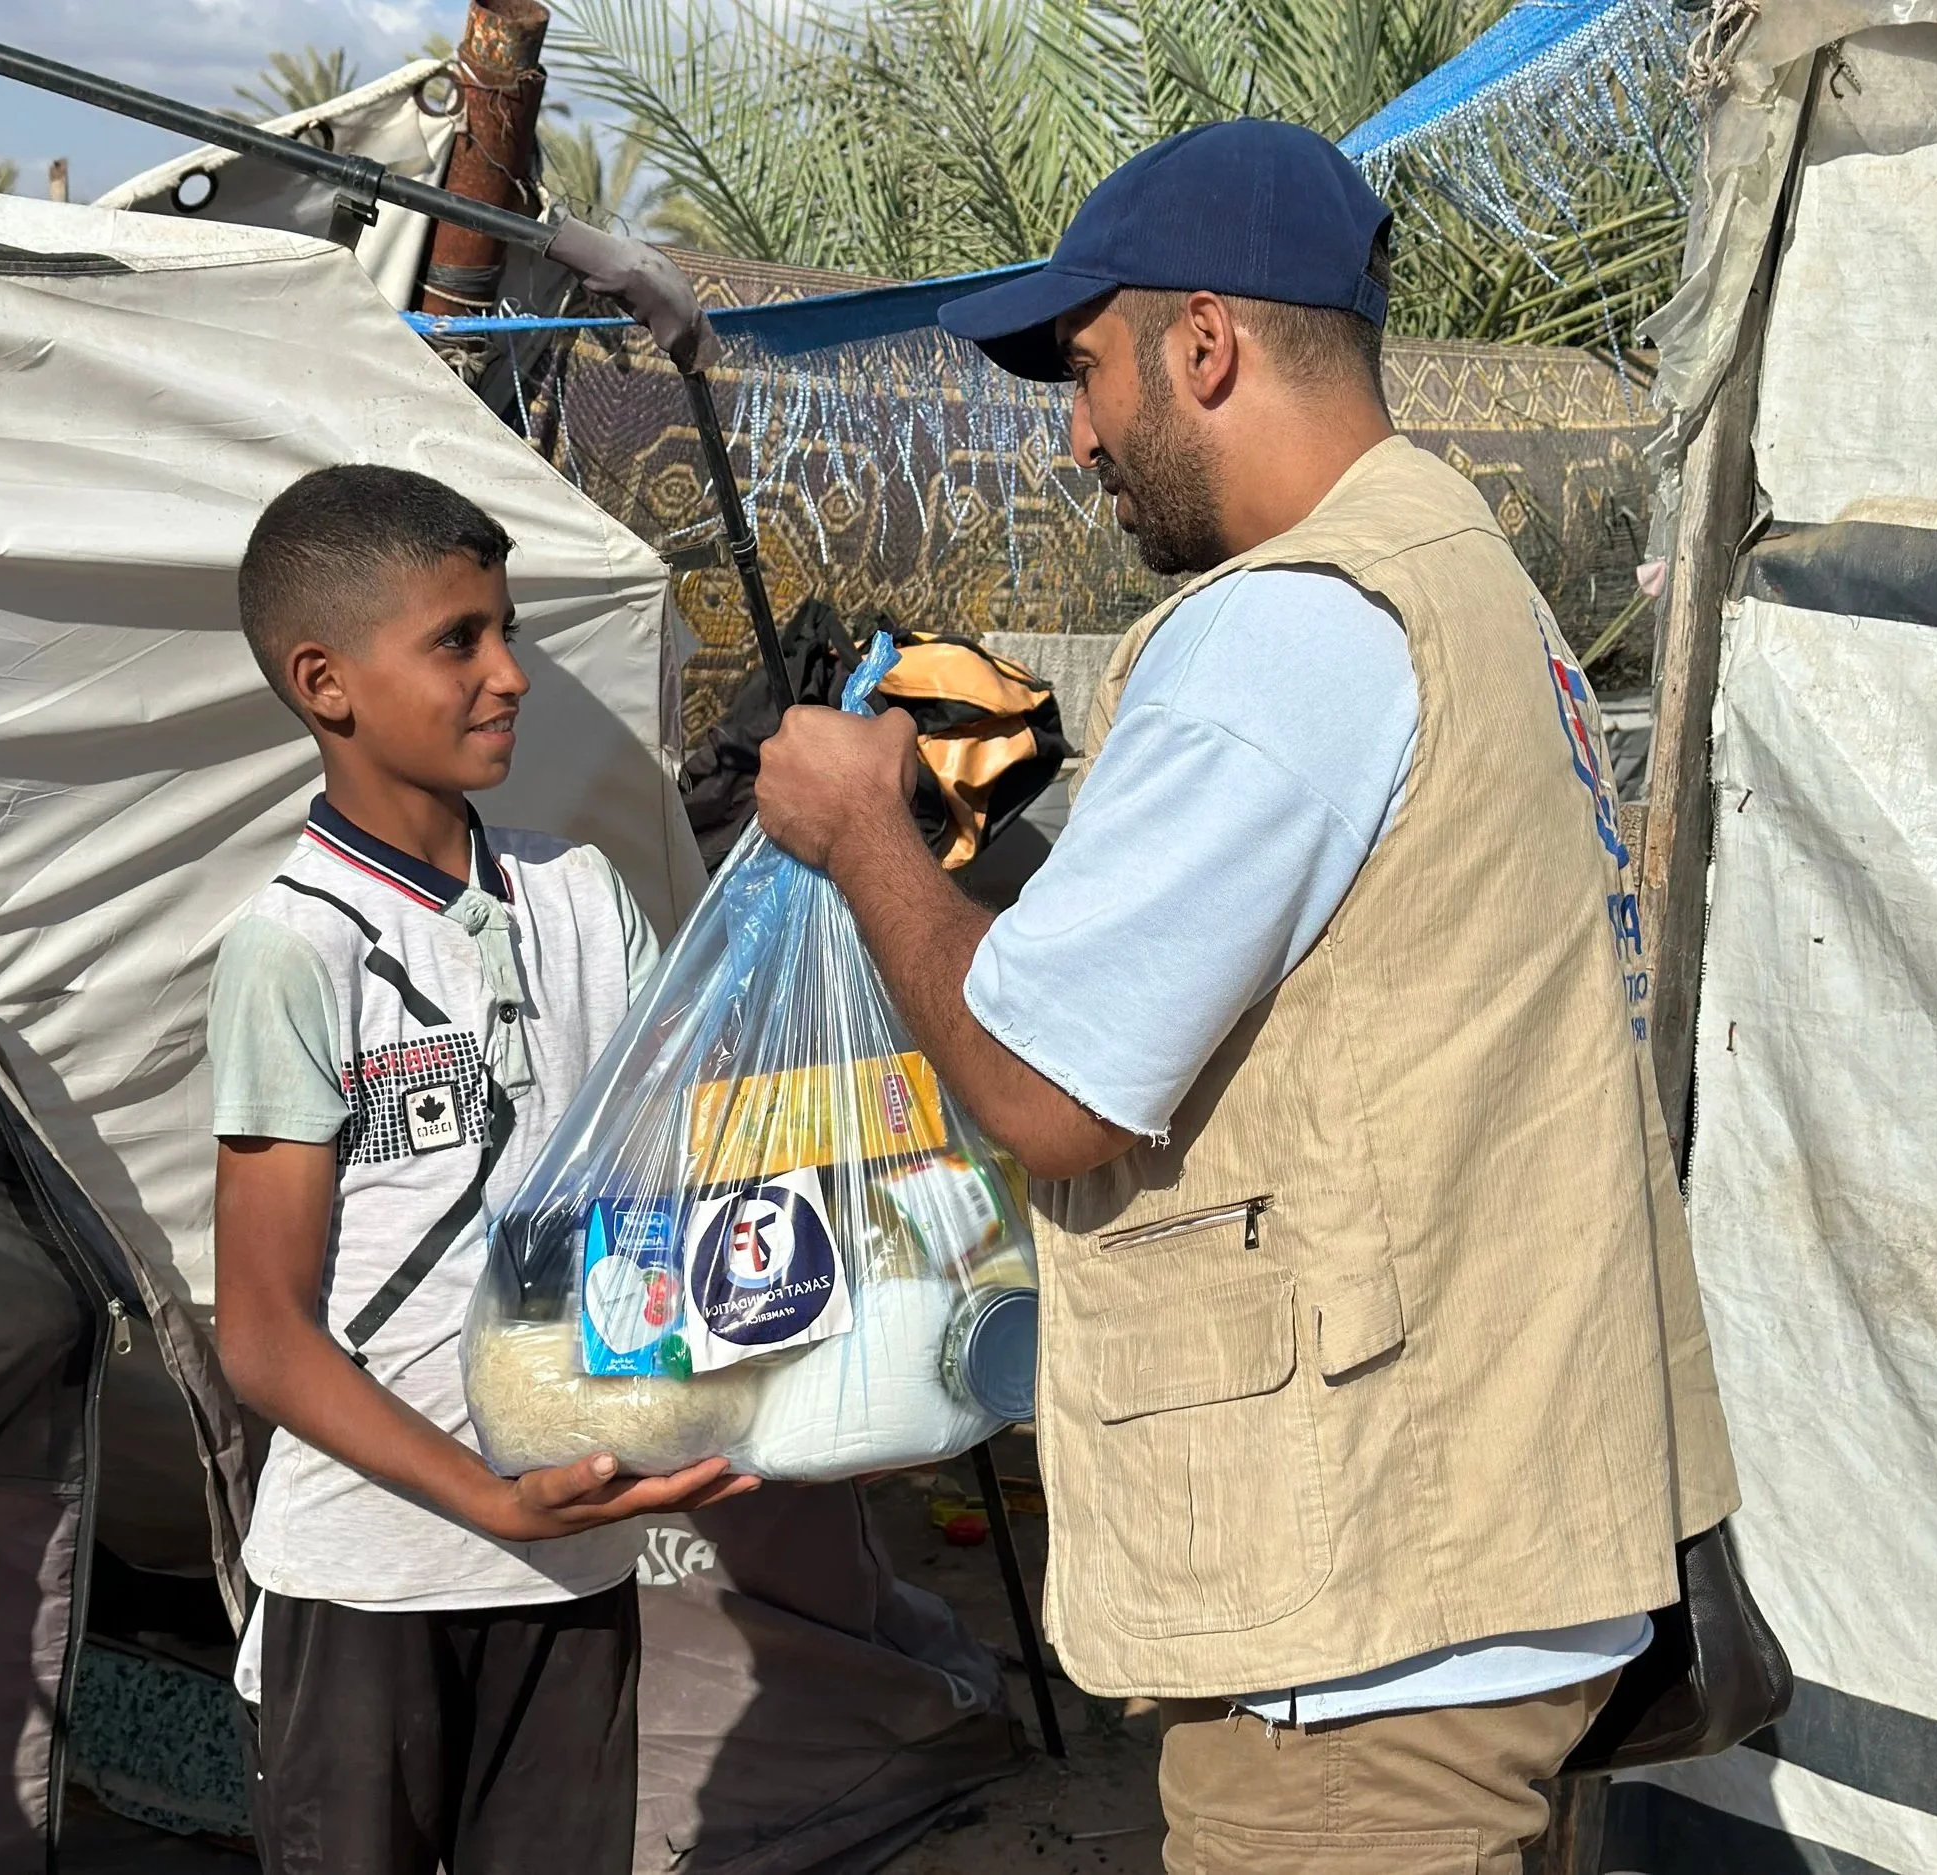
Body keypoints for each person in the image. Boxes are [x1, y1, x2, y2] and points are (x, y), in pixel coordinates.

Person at [754, 120, 1738, 1872]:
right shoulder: (1464, 578)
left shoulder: (1284, 630)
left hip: (1364, 1645)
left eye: (1087, 369)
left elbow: (1049, 1093)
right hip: (1489, 1559)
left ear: (1204, 345)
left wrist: (862, 840)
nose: (1076, 436)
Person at [209, 465, 755, 1875]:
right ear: (326, 682)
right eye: (460, 639)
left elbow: (667, 1199)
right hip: (370, 1572)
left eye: (506, 631)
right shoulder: (295, 947)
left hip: (573, 1558)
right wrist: (485, 1493)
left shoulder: (580, 897)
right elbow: (266, 1338)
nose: (509, 674)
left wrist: (739, 1392)